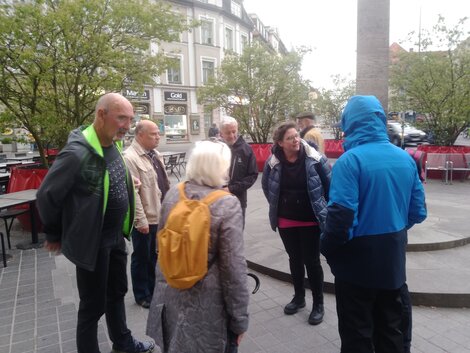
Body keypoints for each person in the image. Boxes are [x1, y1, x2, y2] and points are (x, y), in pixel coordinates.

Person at [37, 93, 155, 353]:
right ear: (101, 114)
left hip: (115, 238)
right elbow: (47, 196)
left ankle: (122, 343)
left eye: (130, 119)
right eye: (121, 117)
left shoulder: (112, 143)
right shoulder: (77, 152)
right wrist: (55, 233)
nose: (127, 125)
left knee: (117, 293)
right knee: (92, 306)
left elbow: (103, 179)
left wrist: (127, 182)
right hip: (93, 242)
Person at [321, 95, 427, 353]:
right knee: (391, 330)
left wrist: (326, 247)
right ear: (380, 120)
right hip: (392, 260)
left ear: (350, 124)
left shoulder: (349, 160)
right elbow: (418, 211)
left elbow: (341, 219)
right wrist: (392, 229)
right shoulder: (405, 158)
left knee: (357, 333)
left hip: (356, 263)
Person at [146, 140, 249, 353]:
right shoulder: (227, 203)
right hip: (210, 304)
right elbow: (234, 269)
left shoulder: (174, 193)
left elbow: (161, 245)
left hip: (171, 294)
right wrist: (239, 319)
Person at [261, 121, 331, 325]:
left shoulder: (315, 159)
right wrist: (280, 206)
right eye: (290, 138)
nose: (295, 140)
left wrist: (323, 210)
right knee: (294, 259)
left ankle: (318, 304)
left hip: (311, 220)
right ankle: (299, 297)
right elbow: (267, 187)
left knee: (312, 261)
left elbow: (330, 186)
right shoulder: (273, 162)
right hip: (286, 220)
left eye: (296, 136)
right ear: (280, 143)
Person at [123, 120, 169, 309]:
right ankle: (142, 294)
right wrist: (140, 220)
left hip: (159, 215)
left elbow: (162, 185)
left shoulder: (155, 154)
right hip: (145, 218)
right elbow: (133, 194)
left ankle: (154, 290)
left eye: (158, 133)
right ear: (140, 135)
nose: (158, 137)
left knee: (155, 256)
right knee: (142, 257)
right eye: (153, 134)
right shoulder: (129, 157)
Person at [219, 116, 258, 225]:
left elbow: (252, 175)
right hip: (217, 199)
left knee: (236, 232)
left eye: (234, 131)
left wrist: (231, 189)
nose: (232, 135)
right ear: (221, 133)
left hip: (238, 200)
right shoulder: (216, 149)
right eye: (228, 133)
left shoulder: (246, 150)